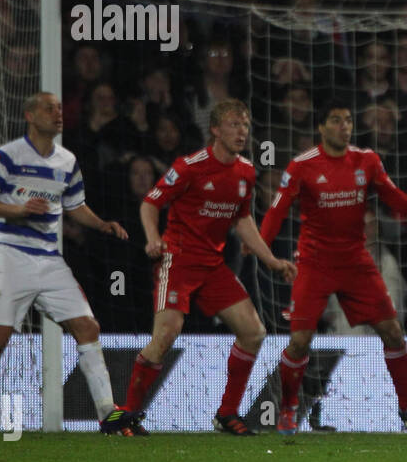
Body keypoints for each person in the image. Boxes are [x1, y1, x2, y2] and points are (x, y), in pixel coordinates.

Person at [259, 102, 407, 434]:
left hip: (356, 262)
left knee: (393, 332)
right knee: (299, 341)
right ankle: (288, 407)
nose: (344, 126)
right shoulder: (302, 166)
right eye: (336, 119)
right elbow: (277, 211)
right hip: (314, 264)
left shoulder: (367, 160)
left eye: (348, 120)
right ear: (321, 127)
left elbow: (392, 195)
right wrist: (260, 244)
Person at [118, 99, 297, 436]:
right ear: (215, 129)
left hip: (212, 265)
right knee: (166, 335)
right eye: (233, 124)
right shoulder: (189, 166)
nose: (241, 131)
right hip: (179, 259)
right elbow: (150, 203)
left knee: (254, 332)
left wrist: (271, 260)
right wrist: (153, 238)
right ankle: (128, 414)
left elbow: (242, 220)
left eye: (244, 125)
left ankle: (227, 414)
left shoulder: (246, 171)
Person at [0, 92, 133, 435]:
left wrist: (102, 224)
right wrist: (18, 210)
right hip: (11, 255)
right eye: (48, 108)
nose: (57, 113)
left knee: (88, 327)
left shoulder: (66, 161)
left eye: (59, 107)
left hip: (49, 260)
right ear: (29, 115)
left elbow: (75, 205)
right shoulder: (7, 157)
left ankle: (107, 413)